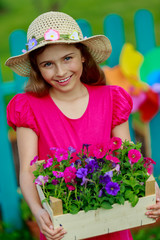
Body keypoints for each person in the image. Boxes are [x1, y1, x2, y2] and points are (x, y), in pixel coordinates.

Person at [6, 11, 160, 240]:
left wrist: (152, 188)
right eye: (48, 64)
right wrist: (39, 212)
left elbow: (129, 155)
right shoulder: (28, 107)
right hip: (62, 229)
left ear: (83, 56)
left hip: (112, 222)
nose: (60, 72)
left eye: (67, 58)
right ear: (37, 67)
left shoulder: (111, 99)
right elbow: (28, 169)